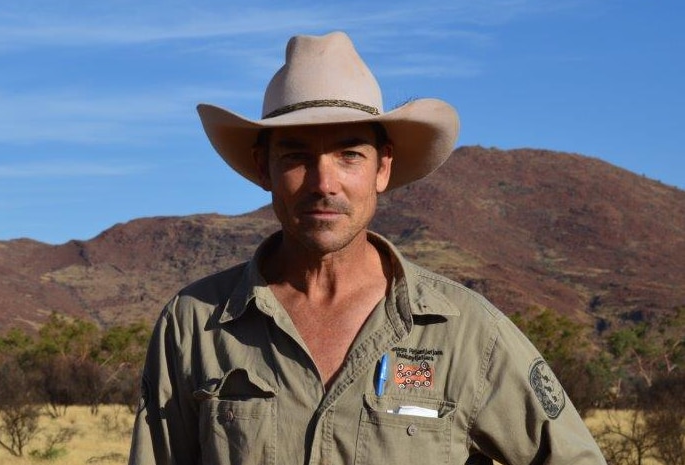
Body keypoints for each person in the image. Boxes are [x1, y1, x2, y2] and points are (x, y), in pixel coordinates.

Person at [128, 31, 605, 465]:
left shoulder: (466, 333)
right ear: (263, 169)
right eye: (296, 156)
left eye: (349, 154)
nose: (323, 183)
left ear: (382, 169)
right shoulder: (194, 323)